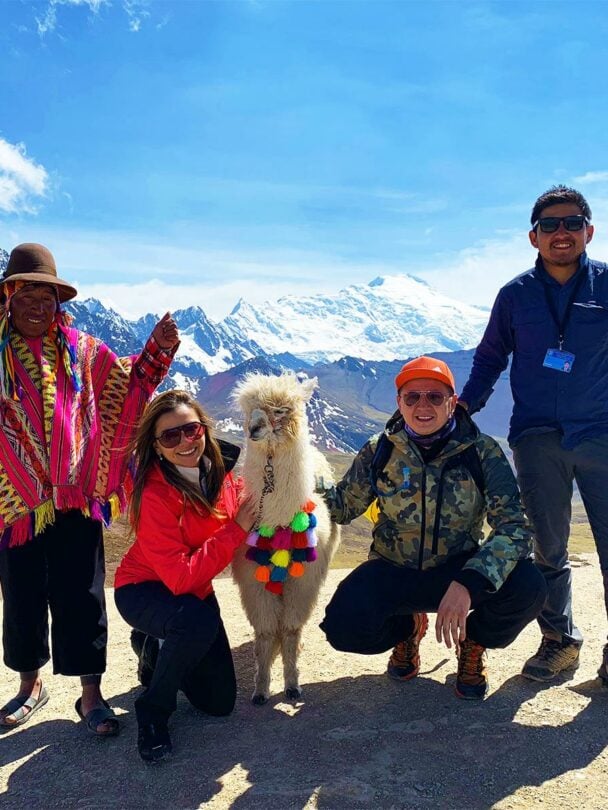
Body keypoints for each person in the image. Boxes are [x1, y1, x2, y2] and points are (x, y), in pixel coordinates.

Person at [0, 243, 179, 735]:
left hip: (76, 494)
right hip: (13, 501)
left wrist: (157, 350)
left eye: (49, 298)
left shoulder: (82, 351)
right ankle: (28, 685)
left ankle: (90, 695)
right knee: (21, 595)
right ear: (8, 297)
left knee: (82, 595)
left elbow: (128, 383)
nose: (39, 307)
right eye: (28, 296)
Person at [319, 356, 546, 700]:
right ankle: (407, 630)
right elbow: (342, 506)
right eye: (412, 397)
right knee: (343, 626)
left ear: (452, 402)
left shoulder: (481, 453)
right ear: (399, 403)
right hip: (394, 569)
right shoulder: (378, 451)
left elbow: (513, 527)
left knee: (528, 586)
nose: (422, 405)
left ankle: (473, 641)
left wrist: (470, 582)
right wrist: (292, 481)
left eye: (435, 397)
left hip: (458, 570)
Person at [460, 185, 608, 685]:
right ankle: (559, 641)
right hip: (536, 437)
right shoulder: (515, 296)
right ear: (533, 236)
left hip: (601, 435)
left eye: (571, 223)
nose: (561, 233)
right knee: (547, 548)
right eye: (550, 225)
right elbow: (489, 358)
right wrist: (465, 406)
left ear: (589, 231)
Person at [114, 390, 256, 763]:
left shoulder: (221, 473)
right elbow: (179, 579)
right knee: (195, 622)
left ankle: (154, 649)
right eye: (170, 437)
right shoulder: (153, 493)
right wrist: (236, 530)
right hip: (144, 590)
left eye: (191, 430)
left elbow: (248, 501)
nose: (184, 442)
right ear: (157, 447)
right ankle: (153, 711)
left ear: (204, 430)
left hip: (194, 592)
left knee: (219, 703)